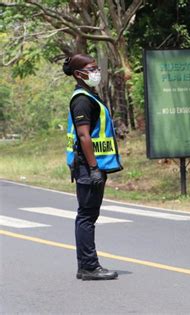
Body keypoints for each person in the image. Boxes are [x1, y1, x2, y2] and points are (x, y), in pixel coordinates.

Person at [63, 54, 123, 280]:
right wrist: (94, 167)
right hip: (89, 167)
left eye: (96, 68)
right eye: (92, 68)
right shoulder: (82, 100)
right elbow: (83, 135)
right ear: (79, 74)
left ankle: (86, 265)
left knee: (88, 215)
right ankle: (88, 266)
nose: (96, 72)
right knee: (86, 216)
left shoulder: (89, 96)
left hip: (90, 166)